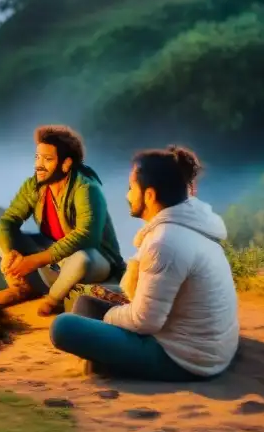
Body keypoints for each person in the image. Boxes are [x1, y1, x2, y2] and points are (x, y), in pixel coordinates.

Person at [49, 146, 239, 381]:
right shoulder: (186, 226)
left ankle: (102, 365)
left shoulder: (164, 243)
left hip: (185, 359)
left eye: (131, 188)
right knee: (87, 303)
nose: (127, 195)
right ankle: (100, 360)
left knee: (63, 327)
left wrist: (110, 318)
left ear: (149, 195)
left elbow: (144, 321)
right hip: (207, 346)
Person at [0, 125, 125, 316]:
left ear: (66, 164)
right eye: (37, 157)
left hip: (96, 260)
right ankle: (22, 288)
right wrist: (11, 252)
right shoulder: (34, 185)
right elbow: (8, 221)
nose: (39, 164)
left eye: (48, 159)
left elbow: (86, 236)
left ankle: (54, 300)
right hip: (55, 256)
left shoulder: (85, 188)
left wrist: (35, 260)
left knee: (81, 259)